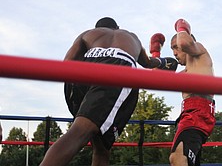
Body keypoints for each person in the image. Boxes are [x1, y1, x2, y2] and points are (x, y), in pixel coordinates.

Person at [40, 17, 174, 166]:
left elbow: (67, 63)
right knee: (79, 133)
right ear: (117, 27)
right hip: (117, 67)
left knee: (101, 144)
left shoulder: (87, 34)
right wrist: (164, 62)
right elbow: (148, 63)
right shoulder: (129, 36)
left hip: (84, 70)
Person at [169, 19, 216, 166]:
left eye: (175, 47)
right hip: (188, 115)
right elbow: (154, 80)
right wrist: (156, 54)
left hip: (197, 115)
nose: (175, 53)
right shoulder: (185, 73)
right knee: (186, 160)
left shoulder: (200, 53)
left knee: (178, 157)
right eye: (172, 50)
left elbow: (184, 42)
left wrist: (181, 26)